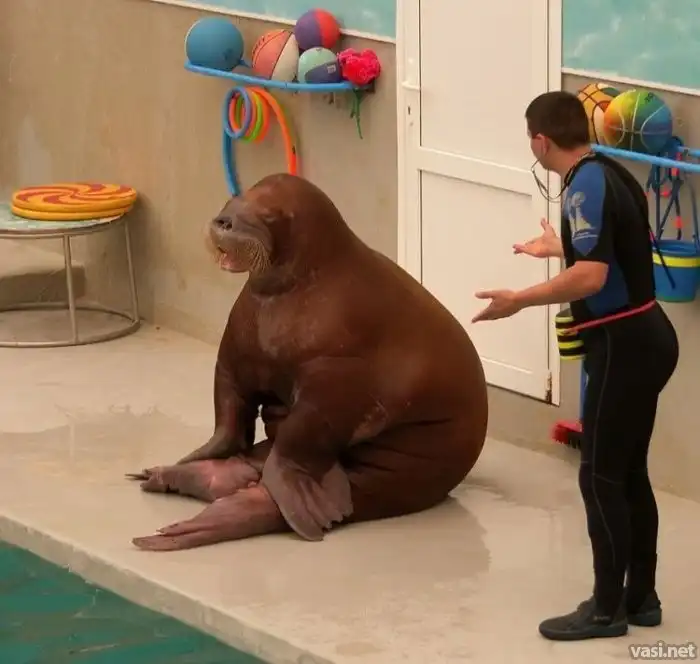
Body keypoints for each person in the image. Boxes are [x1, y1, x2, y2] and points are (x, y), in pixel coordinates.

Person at [471, 90, 679, 641]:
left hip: (625, 346)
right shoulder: (606, 170)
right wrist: (560, 247)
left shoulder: (584, 185)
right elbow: (615, 248)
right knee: (627, 472)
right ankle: (642, 598)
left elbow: (593, 276)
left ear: (540, 141)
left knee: (599, 476)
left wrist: (519, 299)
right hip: (647, 337)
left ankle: (606, 610)